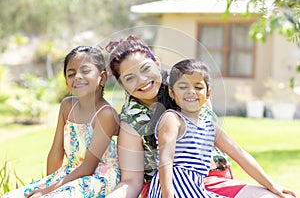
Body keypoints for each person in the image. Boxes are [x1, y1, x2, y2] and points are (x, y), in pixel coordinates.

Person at [105, 35, 296, 198]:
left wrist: (272, 184)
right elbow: (132, 181)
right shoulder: (131, 121)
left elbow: (234, 150)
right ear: (121, 83)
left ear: (156, 62)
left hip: (211, 180)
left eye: (145, 69)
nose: (142, 80)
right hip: (167, 187)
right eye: (130, 77)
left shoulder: (191, 91)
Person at [148, 59, 295, 198]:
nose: (191, 91)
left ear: (208, 94)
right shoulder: (172, 119)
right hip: (170, 190)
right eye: (183, 86)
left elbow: (239, 154)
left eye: (198, 87)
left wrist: (271, 185)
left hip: (195, 189)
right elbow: (165, 160)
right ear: (172, 93)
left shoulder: (209, 127)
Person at [3, 46, 120, 197]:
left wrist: (47, 192)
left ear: (102, 78)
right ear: (66, 81)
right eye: (71, 74)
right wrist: (47, 183)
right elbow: (56, 152)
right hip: (70, 175)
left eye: (85, 71)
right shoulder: (67, 106)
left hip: (97, 178)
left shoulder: (105, 114)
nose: (77, 76)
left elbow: (88, 167)